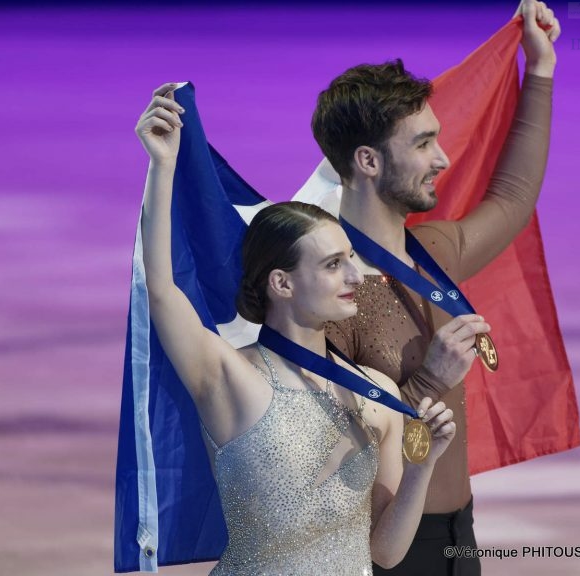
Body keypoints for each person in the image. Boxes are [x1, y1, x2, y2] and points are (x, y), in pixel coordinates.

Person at [135, 83, 462, 574]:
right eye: (334, 264)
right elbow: (162, 289)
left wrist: (423, 466)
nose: (356, 276)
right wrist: (163, 166)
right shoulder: (230, 377)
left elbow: (386, 552)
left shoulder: (379, 394)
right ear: (282, 283)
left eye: (351, 259)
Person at [310, 0, 562, 573]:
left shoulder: (434, 253)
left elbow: (514, 200)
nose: (443, 158)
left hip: (458, 534)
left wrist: (539, 72)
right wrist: (431, 379)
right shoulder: (324, 292)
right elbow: (332, 446)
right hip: (376, 548)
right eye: (422, 143)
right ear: (368, 161)